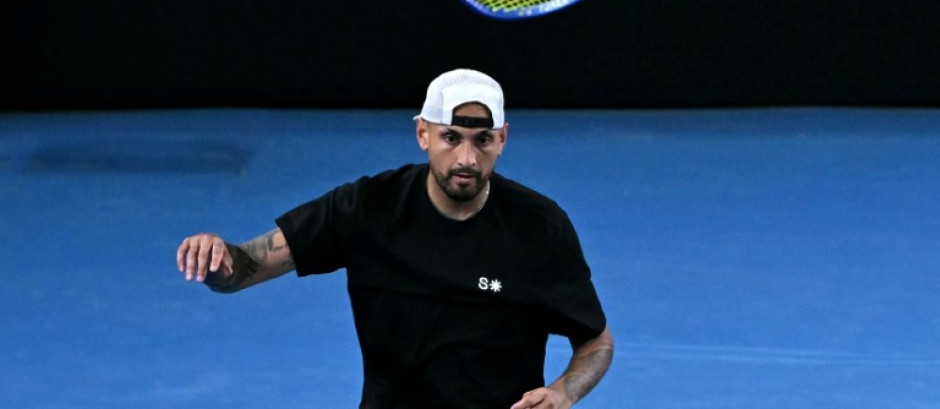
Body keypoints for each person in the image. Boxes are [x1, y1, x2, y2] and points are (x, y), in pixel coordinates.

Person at [177, 68, 614, 409]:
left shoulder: (539, 227)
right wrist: (217, 256)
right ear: (423, 133)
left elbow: (596, 340)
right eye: (451, 137)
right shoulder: (365, 208)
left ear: (502, 139)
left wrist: (564, 392)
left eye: (483, 140)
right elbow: (240, 270)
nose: (467, 158)